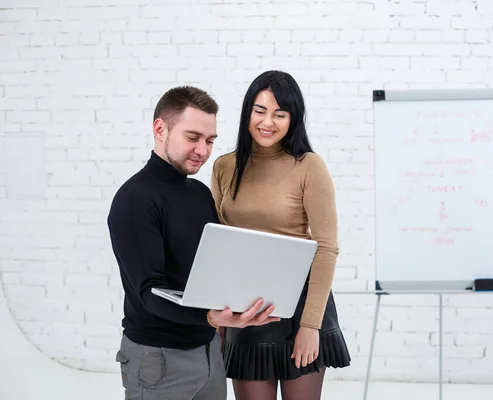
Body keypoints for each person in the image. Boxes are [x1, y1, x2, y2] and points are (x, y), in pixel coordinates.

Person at [107, 85, 280, 400]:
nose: (203, 150)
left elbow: (213, 271)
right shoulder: (135, 199)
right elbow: (150, 294)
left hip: (209, 352)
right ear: (160, 129)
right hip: (157, 359)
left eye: (210, 140)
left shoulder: (200, 194)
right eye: (192, 137)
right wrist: (212, 317)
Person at [211, 70, 351, 400]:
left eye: (280, 113)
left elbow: (327, 247)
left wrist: (310, 325)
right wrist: (219, 319)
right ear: (247, 111)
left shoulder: (308, 166)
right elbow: (219, 245)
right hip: (245, 308)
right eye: (260, 110)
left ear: (293, 118)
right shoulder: (224, 166)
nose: (268, 122)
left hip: (300, 307)